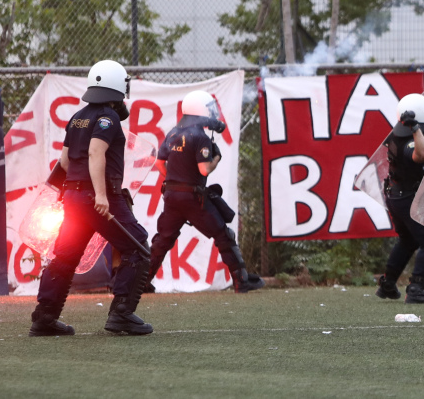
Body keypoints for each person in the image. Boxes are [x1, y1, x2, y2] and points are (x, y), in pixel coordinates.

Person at [30, 60, 153, 337]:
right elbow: (96, 152)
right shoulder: (107, 119)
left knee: (64, 257)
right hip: (97, 197)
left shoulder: (77, 117)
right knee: (138, 247)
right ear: (117, 86)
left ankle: (44, 317)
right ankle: (122, 313)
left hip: (72, 198)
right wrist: (100, 195)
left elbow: (63, 161)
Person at [147, 90, 264, 293]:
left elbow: (158, 162)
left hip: (172, 196)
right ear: (199, 109)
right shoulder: (200, 136)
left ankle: (140, 283)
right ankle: (241, 281)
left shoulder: (174, 132)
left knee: (161, 241)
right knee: (223, 235)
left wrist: (174, 181)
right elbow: (204, 169)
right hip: (193, 198)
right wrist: (216, 157)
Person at [376, 93, 424, 304]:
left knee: (408, 240)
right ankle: (416, 288)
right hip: (408, 199)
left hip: (398, 196)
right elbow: (421, 155)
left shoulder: (400, 135)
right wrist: (417, 129)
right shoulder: (409, 140)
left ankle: (388, 284)